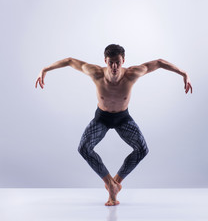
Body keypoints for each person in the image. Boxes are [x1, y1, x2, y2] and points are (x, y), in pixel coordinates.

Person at [35, 44, 192, 206]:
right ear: (105, 61)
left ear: (123, 60)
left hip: (123, 118)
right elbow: (69, 61)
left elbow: (159, 62)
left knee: (142, 149)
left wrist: (183, 73)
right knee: (83, 148)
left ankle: (115, 183)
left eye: (118, 62)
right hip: (102, 118)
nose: (114, 66)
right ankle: (110, 184)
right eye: (111, 62)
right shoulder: (95, 72)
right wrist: (44, 69)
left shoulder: (132, 74)